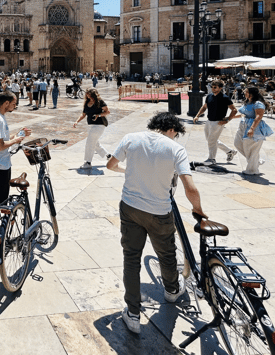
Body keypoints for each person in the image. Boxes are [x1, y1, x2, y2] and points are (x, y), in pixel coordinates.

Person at [106, 112, 206, 334]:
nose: (176, 137)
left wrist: (129, 171)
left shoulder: (131, 138)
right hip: (159, 211)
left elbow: (111, 165)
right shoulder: (175, 149)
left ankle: (132, 313)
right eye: (176, 133)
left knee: (131, 257)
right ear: (171, 129)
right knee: (166, 253)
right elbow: (190, 188)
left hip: (130, 207)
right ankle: (172, 290)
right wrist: (198, 209)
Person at [0, 91, 30, 247]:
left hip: (0, 164)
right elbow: (0, 145)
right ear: (6, 103)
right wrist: (16, 140)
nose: (15, 105)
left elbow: (2, 140)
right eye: (13, 103)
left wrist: (17, 135)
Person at [192, 79, 237, 164]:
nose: (213, 89)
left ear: (220, 88)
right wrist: (197, 115)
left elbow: (234, 110)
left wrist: (227, 120)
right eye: (212, 87)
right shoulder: (209, 96)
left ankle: (211, 159)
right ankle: (229, 151)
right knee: (211, 140)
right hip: (209, 121)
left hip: (218, 122)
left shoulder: (225, 98)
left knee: (211, 141)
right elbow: (204, 107)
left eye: (215, 87)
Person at [233, 87, 273, 175]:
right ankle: (256, 161)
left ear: (251, 93)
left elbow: (259, 116)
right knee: (237, 143)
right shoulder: (247, 102)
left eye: (246, 91)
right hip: (243, 125)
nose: (244, 93)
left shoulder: (258, 103)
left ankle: (252, 170)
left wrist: (252, 128)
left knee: (251, 148)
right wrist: (231, 117)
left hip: (254, 127)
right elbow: (244, 114)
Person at [73, 88, 111, 169]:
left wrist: (99, 115)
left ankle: (88, 162)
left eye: (88, 94)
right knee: (95, 143)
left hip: (99, 125)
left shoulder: (100, 101)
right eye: (87, 94)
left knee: (90, 142)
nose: (87, 95)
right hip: (90, 125)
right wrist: (77, 121)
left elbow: (107, 112)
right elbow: (83, 114)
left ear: (93, 94)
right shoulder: (87, 102)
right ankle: (108, 156)